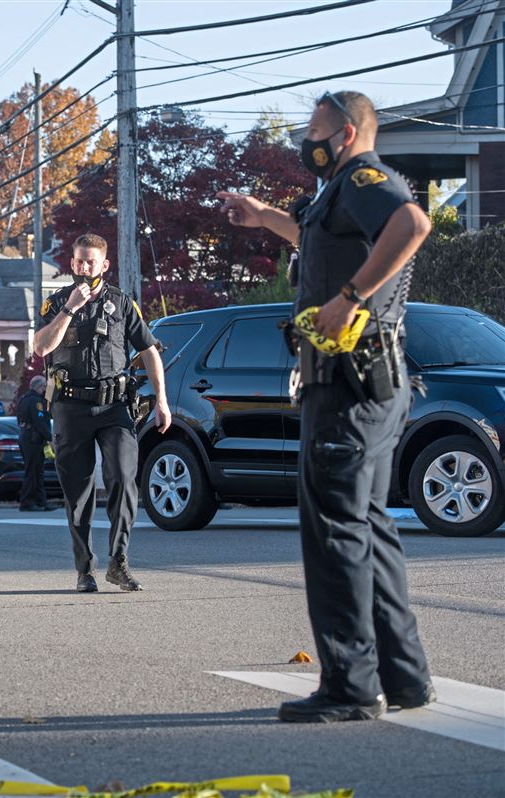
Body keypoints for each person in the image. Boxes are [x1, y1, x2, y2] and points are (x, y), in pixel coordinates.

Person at [218, 90, 434, 724]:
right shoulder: (335, 196)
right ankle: (406, 677)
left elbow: (413, 224)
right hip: (367, 384)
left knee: (335, 530)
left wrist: (348, 296)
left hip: (348, 382)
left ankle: (350, 686)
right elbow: (320, 234)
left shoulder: (365, 178)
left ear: (343, 133)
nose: (304, 142)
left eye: (312, 129)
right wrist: (264, 218)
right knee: (369, 526)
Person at [33, 233, 171, 593]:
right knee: (77, 493)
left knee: (124, 480)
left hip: (114, 407)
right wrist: (69, 310)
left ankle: (119, 563)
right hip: (70, 407)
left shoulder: (123, 304)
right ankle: (85, 570)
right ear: (73, 263)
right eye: (78, 261)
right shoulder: (56, 303)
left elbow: (150, 350)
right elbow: (40, 347)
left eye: (90, 261)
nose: (83, 267)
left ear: (104, 265)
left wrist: (162, 400)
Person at [15, 375, 55, 511]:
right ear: (39, 387)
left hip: (27, 436)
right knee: (32, 471)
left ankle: (41, 501)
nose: (45, 389)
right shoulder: (36, 401)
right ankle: (26, 502)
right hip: (33, 438)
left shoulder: (24, 399)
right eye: (44, 387)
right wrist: (49, 437)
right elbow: (40, 422)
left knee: (37, 471)